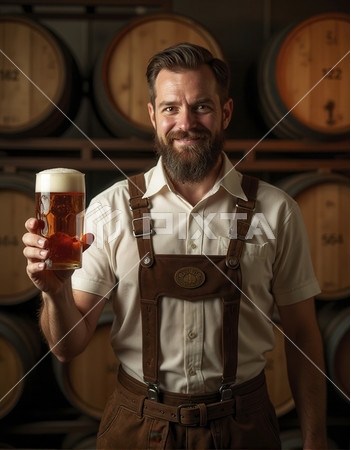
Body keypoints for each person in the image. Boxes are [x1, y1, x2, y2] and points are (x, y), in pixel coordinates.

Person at [23, 43, 328, 449]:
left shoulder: (278, 211)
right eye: (170, 108)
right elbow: (67, 347)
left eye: (201, 106)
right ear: (153, 116)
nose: (186, 122)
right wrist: (55, 294)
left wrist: (315, 439)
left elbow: (304, 336)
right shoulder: (109, 208)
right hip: (136, 425)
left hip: (244, 428)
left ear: (226, 113)